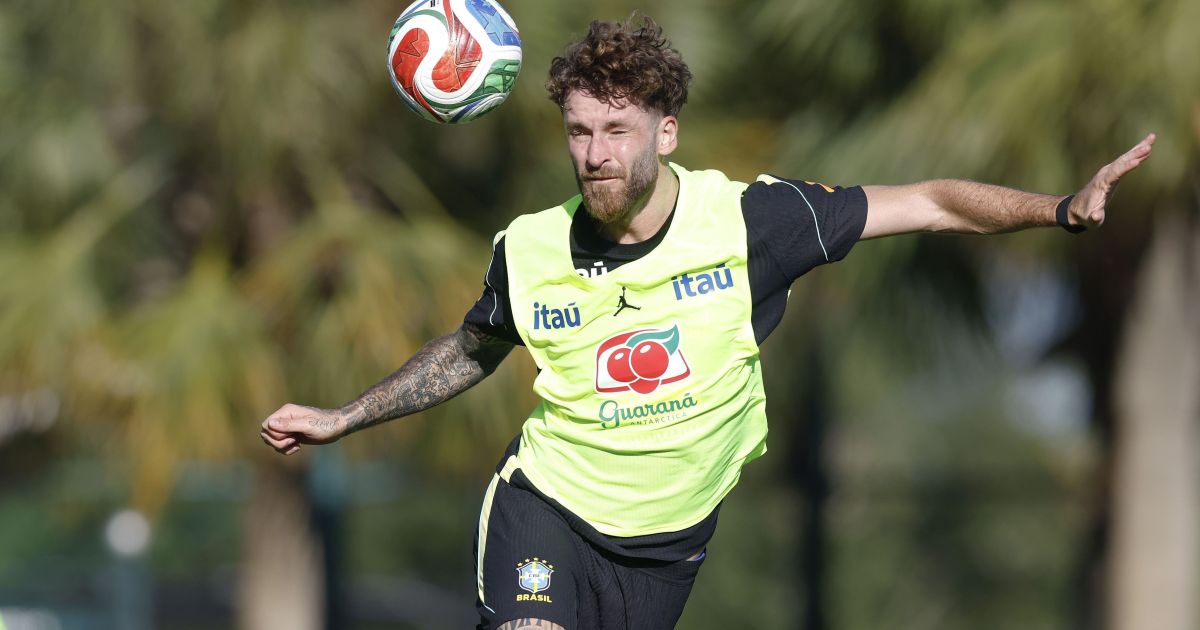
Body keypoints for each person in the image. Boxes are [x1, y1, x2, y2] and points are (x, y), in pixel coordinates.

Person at [259, 15, 1155, 630]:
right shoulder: (528, 248)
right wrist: (345, 416)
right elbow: (471, 350)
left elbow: (930, 202)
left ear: (667, 132)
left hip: (666, 550)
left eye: (616, 130)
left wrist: (1059, 208)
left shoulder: (754, 222)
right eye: (578, 131)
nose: (595, 154)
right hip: (548, 506)